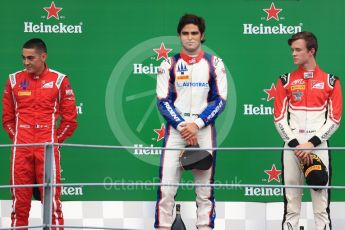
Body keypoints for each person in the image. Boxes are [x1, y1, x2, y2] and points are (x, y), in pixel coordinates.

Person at [154, 14, 228, 230]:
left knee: (205, 191)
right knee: (166, 189)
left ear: (202, 35)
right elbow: (162, 100)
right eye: (185, 33)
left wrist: (197, 124)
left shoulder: (215, 63)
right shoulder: (168, 64)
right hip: (176, 132)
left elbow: (220, 100)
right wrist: (183, 126)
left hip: (203, 131)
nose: (189, 38)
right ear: (179, 36)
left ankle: (204, 227)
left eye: (194, 33)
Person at [2, 38, 78, 229]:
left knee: (52, 205)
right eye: (23, 58)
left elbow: (70, 121)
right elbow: (7, 119)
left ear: (43, 57)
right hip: (21, 150)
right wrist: (20, 138)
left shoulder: (59, 80)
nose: (25, 62)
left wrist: (53, 141)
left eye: (30, 58)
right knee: (19, 206)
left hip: (47, 150)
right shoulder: (13, 80)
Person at [274, 32, 342, 230]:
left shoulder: (331, 82)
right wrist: (297, 145)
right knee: (291, 204)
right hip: (292, 147)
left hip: (318, 146)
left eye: (298, 50)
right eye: (292, 50)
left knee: (321, 206)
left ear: (311, 51)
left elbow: (334, 119)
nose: (293, 54)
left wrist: (310, 144)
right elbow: (279, 118)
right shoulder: (285, 80)